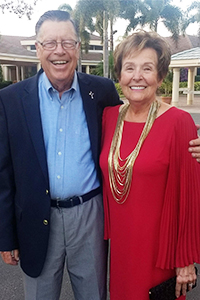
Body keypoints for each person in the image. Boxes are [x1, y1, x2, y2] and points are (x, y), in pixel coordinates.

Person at [0, 10, 121, 300]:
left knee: (93, 294)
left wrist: (184, 143)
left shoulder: (102, 91)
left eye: (68, 42)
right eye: (50, 43)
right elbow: (3, 173)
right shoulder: (11, 99)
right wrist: (6, 236)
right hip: (36, 217)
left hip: (89, 215)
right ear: (38, 49)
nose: (59, 51)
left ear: (78, 48)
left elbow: (129, 136)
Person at [100, 30, 200, 300]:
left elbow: (189, 197)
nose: (137, 77)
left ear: (161, 76)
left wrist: (186, 259)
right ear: (119, 75)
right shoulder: (109, 117)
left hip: (160, 251)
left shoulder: (179, 123)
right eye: (129, 68)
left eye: (147, 68)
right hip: (120, 248)